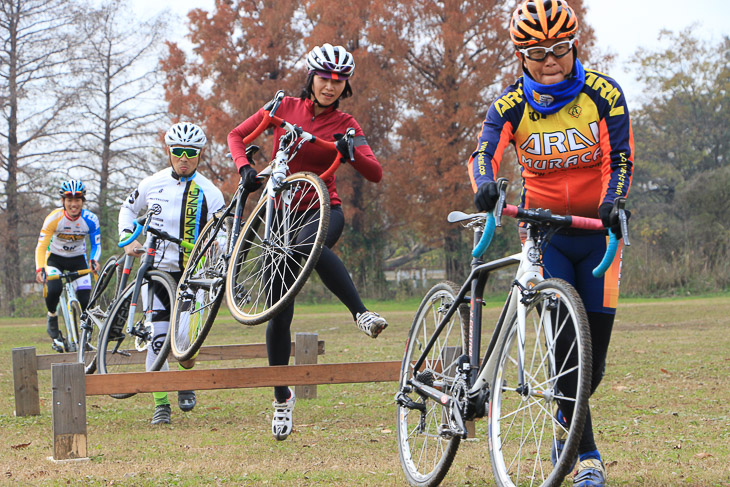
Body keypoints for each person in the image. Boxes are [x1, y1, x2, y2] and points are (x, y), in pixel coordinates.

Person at [467, 1, 633, 486]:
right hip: (545, 233)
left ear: (573, 45)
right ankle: (587, 460)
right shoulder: (510, 105)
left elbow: (619, 157)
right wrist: (486, 183)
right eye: (537, 52)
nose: (550, 60)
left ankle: (563, 427)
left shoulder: (603, 94)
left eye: (559, 48)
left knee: (593, 362)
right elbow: (486, 152)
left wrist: (613, 200)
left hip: (599, 234)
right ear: (522, 55)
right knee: (565, 347)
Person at [227, 43, 388, 441]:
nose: (331, 87)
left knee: (307, 247)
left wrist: (353, 151)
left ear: (345, 84)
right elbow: (236, 135)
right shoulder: (284, 106)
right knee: (279, 314)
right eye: (324, 78)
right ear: (311, 77)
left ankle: (361, 314)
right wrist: (245, 167)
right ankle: (282, 399)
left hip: (321, 210)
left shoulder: (346, 122)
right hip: (277, 215)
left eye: (339, 81)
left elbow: (375, 173)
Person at [119, 122, 225, 425]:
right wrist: (129, 239)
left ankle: (184, 380)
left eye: (190, 153)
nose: (184, 158)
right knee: (158, 337)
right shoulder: (152, 182)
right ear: (169, 152)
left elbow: (226, 232)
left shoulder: (210, 191)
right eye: (178, 152)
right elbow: (126, 210)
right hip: (156, 273)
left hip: (191, 275)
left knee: (185, 349)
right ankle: (161, 403)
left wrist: (219, 247)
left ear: (200, 154)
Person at [35, 180, 101, 352]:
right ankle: (52, 316)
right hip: (55, 259)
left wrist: (94, 260)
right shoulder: (54, 219)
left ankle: (85, 337)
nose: (73, 204)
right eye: (69, 200)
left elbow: (96, 245)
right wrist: (40, 268)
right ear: (63, 201)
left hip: (78, 259)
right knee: (54, 288)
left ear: (82, 201)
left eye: (77, 200)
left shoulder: (91, 220)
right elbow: (41, 247)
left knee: (86, 301)